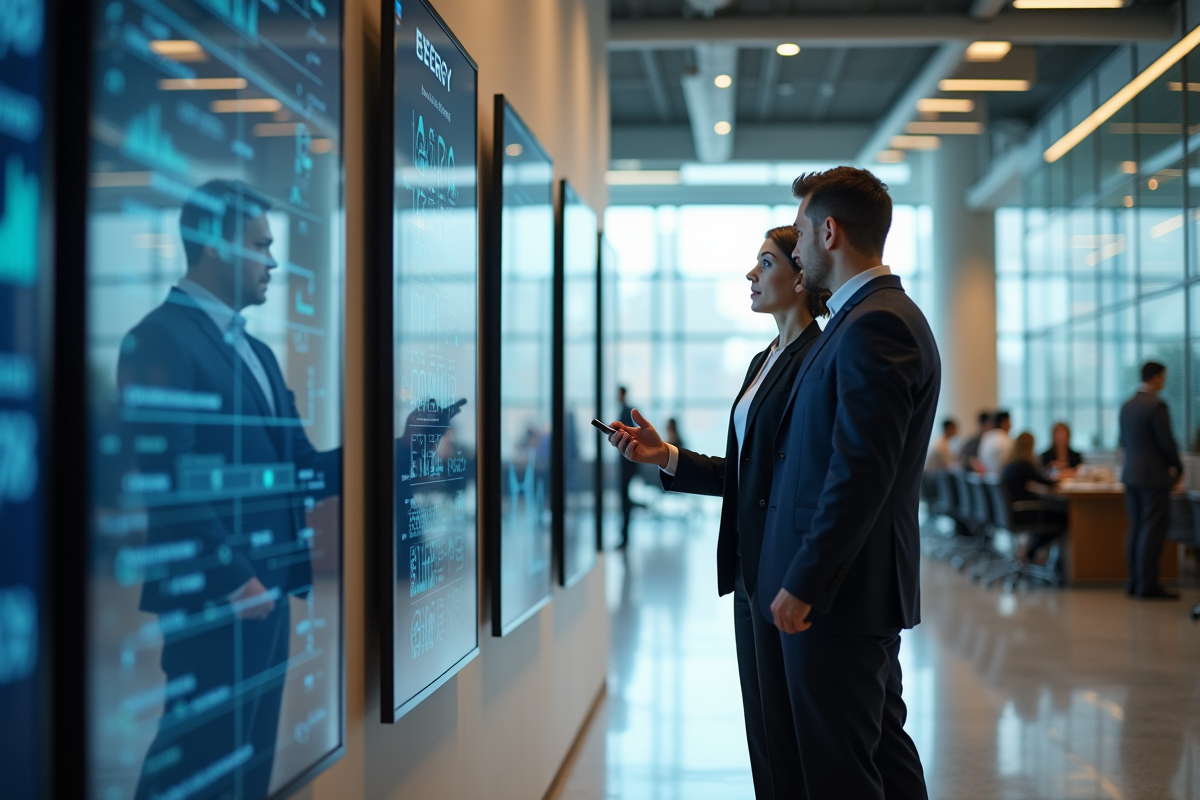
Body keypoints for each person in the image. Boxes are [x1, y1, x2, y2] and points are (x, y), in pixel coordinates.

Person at [121, 180, 341, 800]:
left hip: (267, 588)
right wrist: (233, 578)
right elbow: (168, 478)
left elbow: (300, 466)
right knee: (196, 766)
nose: (273, 260)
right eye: (260, 245)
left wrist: (399, 450)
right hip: (220, 593)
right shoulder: (160, 335)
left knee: (245, 771)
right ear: (217, 246)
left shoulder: (260, 355)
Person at [606, 225, 827, 798]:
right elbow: (747, 475)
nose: (751, 275)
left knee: (789, 732)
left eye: (765, 263)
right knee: (762, 728)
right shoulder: (764, 359)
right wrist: (666, 456)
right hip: (750, 567)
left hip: (785, 570)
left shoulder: (816, 358)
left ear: (801, 275)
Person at [761, 167, 936, 799]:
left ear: (828, 231)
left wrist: (805, 580)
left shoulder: (876, 324)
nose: (798, 249)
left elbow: (861, 470)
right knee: (880, 752)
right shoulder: (860, 318)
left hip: (838, 596)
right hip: (849, 592)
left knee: (841, 771)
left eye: (803, 233)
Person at [1119, 361, 1183, 600]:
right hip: (1154, 477)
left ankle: (1134, 582)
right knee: (1152, 530)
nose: (1164, 383)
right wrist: (1177, 466)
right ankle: (1148, 584)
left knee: (1136, 528)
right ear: (1155, 378)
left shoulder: (1127, 405)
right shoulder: (1156, 406)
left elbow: (1123, 442)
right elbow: (1166, 442)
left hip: (1131, 475)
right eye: (1163, 378)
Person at [1001, 432, 1067, 564]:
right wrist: (1061, 476)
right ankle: (1031, 552)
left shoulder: (1009, 464)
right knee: (1061, 518)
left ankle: (1032, 552)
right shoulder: (1023, 464)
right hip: (1023, 512)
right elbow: (1045, 481)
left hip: (1011, 513)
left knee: (1051, 513)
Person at [616, 386, 637, 548]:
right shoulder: (624, 410)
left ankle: (625, 537)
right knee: (625, 499)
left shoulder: (627, 411)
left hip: (628, 464)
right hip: (626, 464)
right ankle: (624, 536)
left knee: (625, 500)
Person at [978, 410, 1013, 476]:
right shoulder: (1006, 441)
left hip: (987, 481)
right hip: (1002, 480)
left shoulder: (987, 437)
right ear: (1004, 422)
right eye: (1009, 422)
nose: (1011, 426)